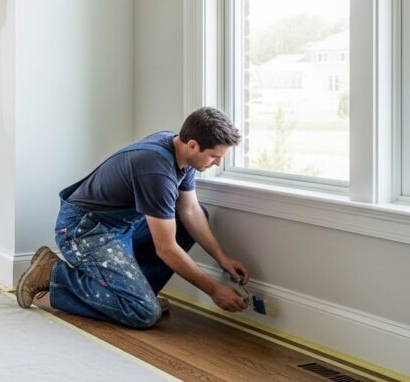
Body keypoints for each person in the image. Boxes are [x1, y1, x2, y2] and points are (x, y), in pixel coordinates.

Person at [15, 106, 250, 328]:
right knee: (144, 312)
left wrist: (222, 258)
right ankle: (53, 274)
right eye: (214, 156)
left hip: (119, 226)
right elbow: (166, 248)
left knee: (186, 222)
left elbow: (190, 211)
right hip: (84, 231)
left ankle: (137, 293)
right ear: (193, 145)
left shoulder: (180, 152)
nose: (218, 162)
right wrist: (214, 290)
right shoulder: (156, 170)